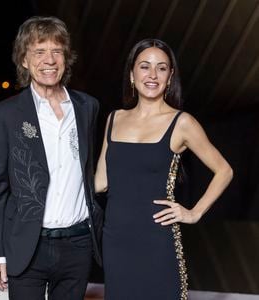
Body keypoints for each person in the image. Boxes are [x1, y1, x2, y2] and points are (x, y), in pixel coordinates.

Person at [94, 38, 233, 300]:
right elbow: (101, 182)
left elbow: (224, 170)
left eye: (161, 68)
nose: (152, 75)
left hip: (157, 241)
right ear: (132, 74)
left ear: (170, 77)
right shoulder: (114, 119)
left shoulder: (181, 123)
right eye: (145, 66)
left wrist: (194, 213)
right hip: (115, 242)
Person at [0, 16, 103, 300]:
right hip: (27, 246)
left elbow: (88, 170)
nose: (49, 60)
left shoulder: (87, 108)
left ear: (66, 58)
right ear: (24, 60)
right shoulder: (6, 114)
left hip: (78, 245)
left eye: (56, 51)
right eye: (39, 51)